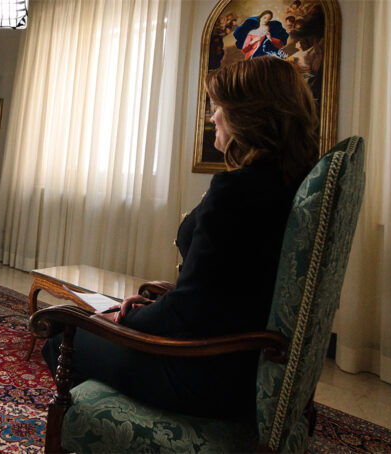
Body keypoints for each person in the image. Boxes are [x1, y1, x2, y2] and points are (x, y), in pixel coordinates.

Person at [43, 56, 320, 418]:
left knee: (61, 334)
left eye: (218, 107)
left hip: (204, 373)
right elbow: (230, 285)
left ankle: (116, 433)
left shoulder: (236, 192)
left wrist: (126, 320)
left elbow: (188, 316)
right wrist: (154, 307)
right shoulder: (288, 185)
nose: (212, 117)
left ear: (248, 115)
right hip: (247, 363)